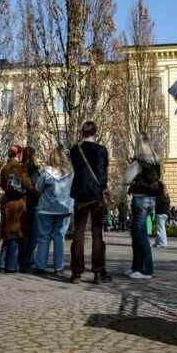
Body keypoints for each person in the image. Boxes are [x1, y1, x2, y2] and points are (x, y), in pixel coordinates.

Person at [69, 121, 111, 284]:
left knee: (78, 233)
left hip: (80, 193)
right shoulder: (101, 150)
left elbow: (77, 170)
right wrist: (103, 186)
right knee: (97, 233)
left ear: (82, 133)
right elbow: (102, 172)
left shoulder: (74, 150)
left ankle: (77, 272)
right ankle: (98, 272)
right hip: (96, 195)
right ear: (96, 132)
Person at [124, 137, 162, 279]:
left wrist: (130, 166)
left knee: (140, 234)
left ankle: (146, 269)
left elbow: (126, 179)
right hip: (151, 199)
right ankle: (136, 267)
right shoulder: (156, 161)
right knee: (137, 233)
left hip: (140, 198)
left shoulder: (139, 161)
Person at [33, 147, 74, 275]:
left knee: (43, 237)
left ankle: (40, 266)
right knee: (59, 238)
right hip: (64, 208)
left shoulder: (45, 172)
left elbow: (38, 188)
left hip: (46, 209)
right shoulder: (71, 173)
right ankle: (58, 267)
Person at [0, 145, 34, 273]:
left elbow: (2, 185)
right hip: (18, 204)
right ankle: (11, 266)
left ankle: (2, 264)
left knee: (7, 234)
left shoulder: (5, 168)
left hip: (7, 203)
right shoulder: (20, 168)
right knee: (15, 235)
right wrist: (35, 191)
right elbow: (28, 185)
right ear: (19, 154)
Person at [18, 147, 41, 270]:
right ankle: (25, 260)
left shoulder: (20, 168)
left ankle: (25, 259)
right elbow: (34, 188)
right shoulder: (31, 170)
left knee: (24, 234)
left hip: (23, 204)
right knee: (33, 235)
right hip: (31, 205)